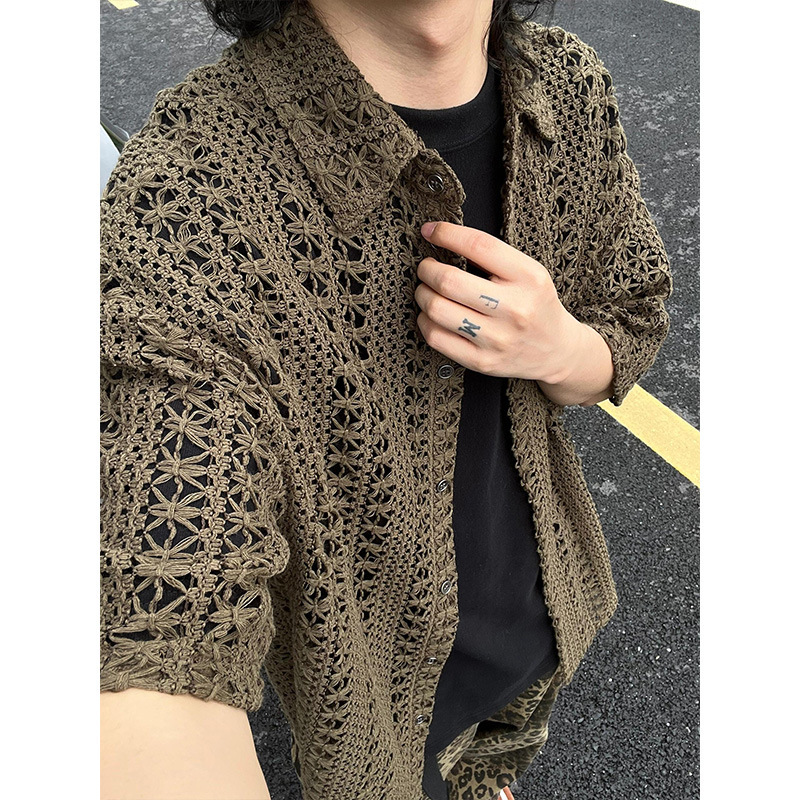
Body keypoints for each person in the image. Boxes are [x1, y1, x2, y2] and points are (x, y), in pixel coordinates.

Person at [99, 1, 673, 799]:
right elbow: (159, 618)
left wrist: (563, 348)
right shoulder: (190, 195)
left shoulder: (567, 86)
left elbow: (634, 311)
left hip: (550, 618)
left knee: (492, 762)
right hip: (373, 717)